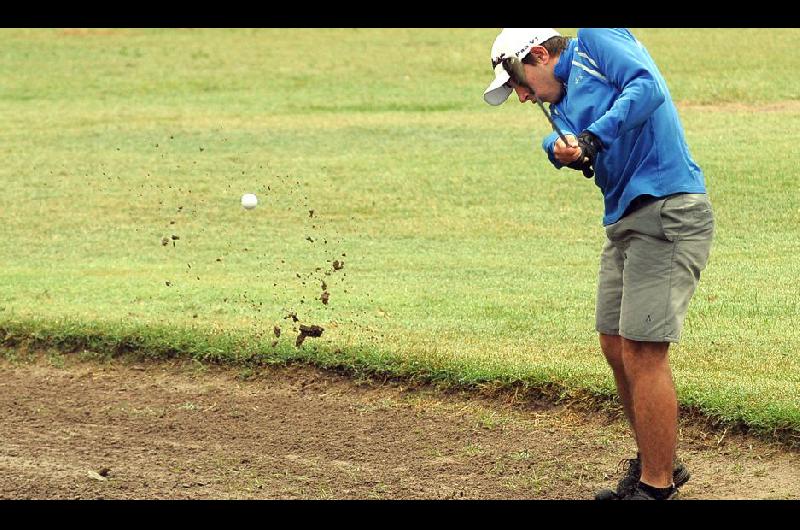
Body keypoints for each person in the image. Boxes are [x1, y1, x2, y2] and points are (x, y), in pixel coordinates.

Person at [483, 28, 714, 500]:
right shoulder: (562, 101)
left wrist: (591, 138)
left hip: (668, 209)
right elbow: (560, 140)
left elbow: (646, 86)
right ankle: (659, 458)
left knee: (643, 350)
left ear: (539, 54)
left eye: (518, 82)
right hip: (626, 221)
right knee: (614, 344)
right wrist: (560, 149)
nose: (523, 97)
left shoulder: (595, 41)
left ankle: (655, 487)